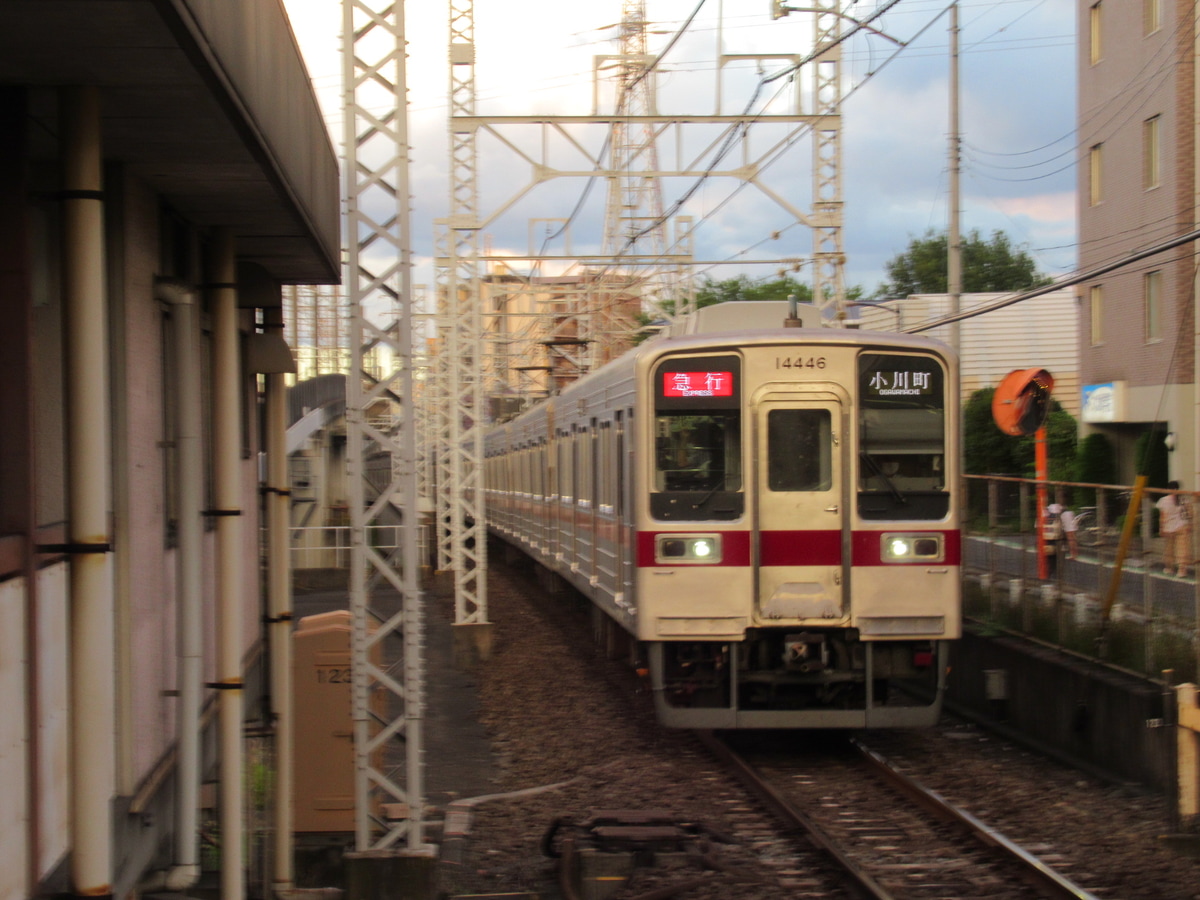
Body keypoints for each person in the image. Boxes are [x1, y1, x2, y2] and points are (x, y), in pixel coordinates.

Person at [1156, 481, 1192, 578]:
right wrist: (1190, 525)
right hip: (1182, 526)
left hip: (1169, 528)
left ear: (1168, 489)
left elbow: (1162, 516)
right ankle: (1181, 570)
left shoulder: (1163, 500)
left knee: (1169, 549)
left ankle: (1169, 568)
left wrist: (1161, 528)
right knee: (1182, 549)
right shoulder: (1184, 499)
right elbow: (1189, 513)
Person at [1042, 502, 1066, 578]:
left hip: (1046, 540)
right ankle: (1055, 574)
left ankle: (1048, 573)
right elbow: (1063, 530)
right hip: (1056, 540)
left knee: (1048, 559)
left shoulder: (1044, 517)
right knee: (1056, 559)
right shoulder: (1059, 518)